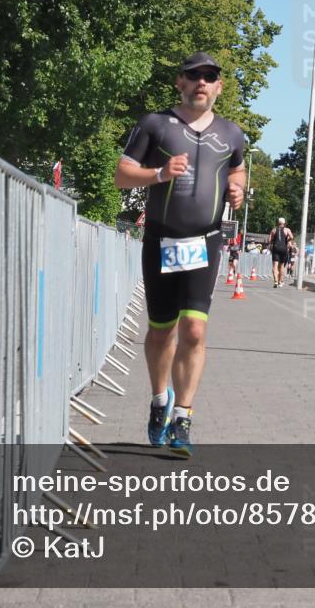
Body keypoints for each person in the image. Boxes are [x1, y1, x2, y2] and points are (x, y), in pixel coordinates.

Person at [113, 51, 245, 458]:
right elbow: (121, 175)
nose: (201, 82)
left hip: (204, 240)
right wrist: (159, 174)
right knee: (160, 331)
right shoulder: (155, 124)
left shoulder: (232, 134)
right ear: (180, 82)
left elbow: (237, 169)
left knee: (195, 330)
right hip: (162, 240)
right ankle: (159, 401)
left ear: (219, 87)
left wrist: (238, 189)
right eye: (194, 75)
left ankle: (183, 417)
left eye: (210, 77)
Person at [268, 217, 294, 287]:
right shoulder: (287, 229)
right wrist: (287, 240)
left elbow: (269, 240)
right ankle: (280, 281)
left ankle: (276, 281)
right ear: (284, 223)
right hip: (283, 249)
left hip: (275, 248)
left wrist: (273, 240)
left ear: (278, 223)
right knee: (282, 266)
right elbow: (292, 237)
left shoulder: (274, 230)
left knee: (275, 265)